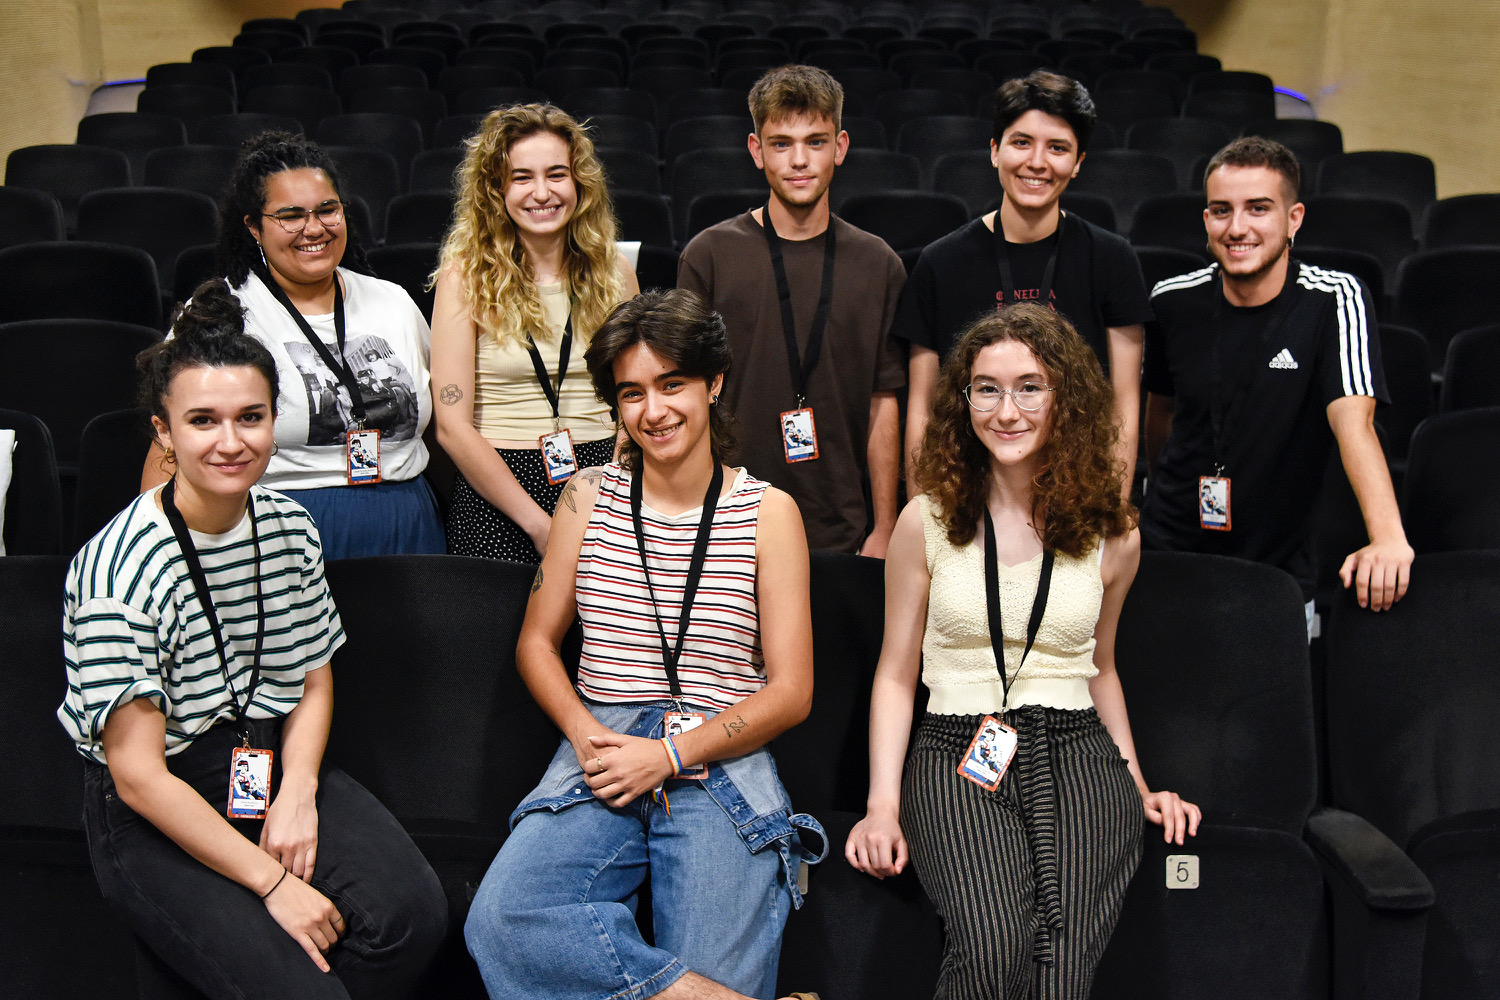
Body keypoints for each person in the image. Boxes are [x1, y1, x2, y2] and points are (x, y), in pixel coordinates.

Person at [62, 281, 447, 1000]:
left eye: (252, 417)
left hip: (263, 756)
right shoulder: (120, 570)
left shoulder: (289, 525)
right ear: (163, 432)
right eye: (203, 420)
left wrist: (297, 791)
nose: (232, 442)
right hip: (155, 795)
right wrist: (273, 883)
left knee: (411, 920)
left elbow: (314, 679)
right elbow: (138, 776)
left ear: (276, 420)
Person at [463, 289, 826, 1000]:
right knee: (503, 921)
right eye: (632, 393)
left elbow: (792, 691)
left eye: (672, 384)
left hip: (716, 753)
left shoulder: (768, 512)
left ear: (713, 382)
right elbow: (537, 643)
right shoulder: (585, 498)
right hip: (601, 747)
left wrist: (667, 754)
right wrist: (585, 734)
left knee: (719, 954)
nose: (653, 411)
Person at [845, 303, 1199, 1000]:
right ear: (964, 400)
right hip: (956, 748)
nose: (1007, 410)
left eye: (1030, 386)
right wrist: (881, 804)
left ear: (1064, 397)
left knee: (1065, 965)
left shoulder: (1113, 531)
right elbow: (894, 675)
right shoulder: (927, 520)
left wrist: (1137, 783)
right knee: (993, 943)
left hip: (1080, 751)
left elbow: (1101, 669)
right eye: (987, 388)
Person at [1141, 136, 1413, 631]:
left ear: (1294, 219)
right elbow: (1159, 413)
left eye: (1258, 209)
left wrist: (1388, 536)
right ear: (1206, 221)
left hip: (1278, 566)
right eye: (1221, 210)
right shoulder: (1171, 300)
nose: (1237, 227)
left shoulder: (1334, 299)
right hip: (1167, 550)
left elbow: (1356, 423)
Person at [141, 131, 444, 560]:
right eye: (290, 215)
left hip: (406, 525)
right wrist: (162, 549)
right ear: (253, 227)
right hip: (277, 533)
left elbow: (437, 424)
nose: (314, 228)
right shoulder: (221, 312)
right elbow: (169, 446)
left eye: (327, 209)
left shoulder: (392, 301)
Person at [678, 64, 906, 557]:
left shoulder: (879, 263)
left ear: (840, 147)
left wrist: (885, 527)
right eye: (781, 143)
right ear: (757, 151)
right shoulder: (709, 255)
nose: (799, 160)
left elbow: (882, 404)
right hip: (727, 519)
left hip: (842, 525)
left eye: (816, 142)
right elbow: (687, 393)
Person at [893, 71, 1152, 498]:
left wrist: (1114, 507)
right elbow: (922, 407)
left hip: (1077, 492)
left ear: (1079, 161)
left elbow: (1122, 403)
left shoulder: (1112, 259)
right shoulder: (940, 262)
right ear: (994, 151)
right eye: (1021, 142)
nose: (1037, 162)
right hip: (966, 492)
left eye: (1058, 148)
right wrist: (923, 517)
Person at [430, 103, 640, 563]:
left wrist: (613, 490)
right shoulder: (464, 279)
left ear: (579, 182)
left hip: (605, 479)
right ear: (495, 189)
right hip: (500, 491)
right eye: (521, 176)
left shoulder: (617, 274)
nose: (541, 192)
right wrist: (540, 525)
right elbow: (451, 426)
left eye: (557, 174)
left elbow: (634, 397)